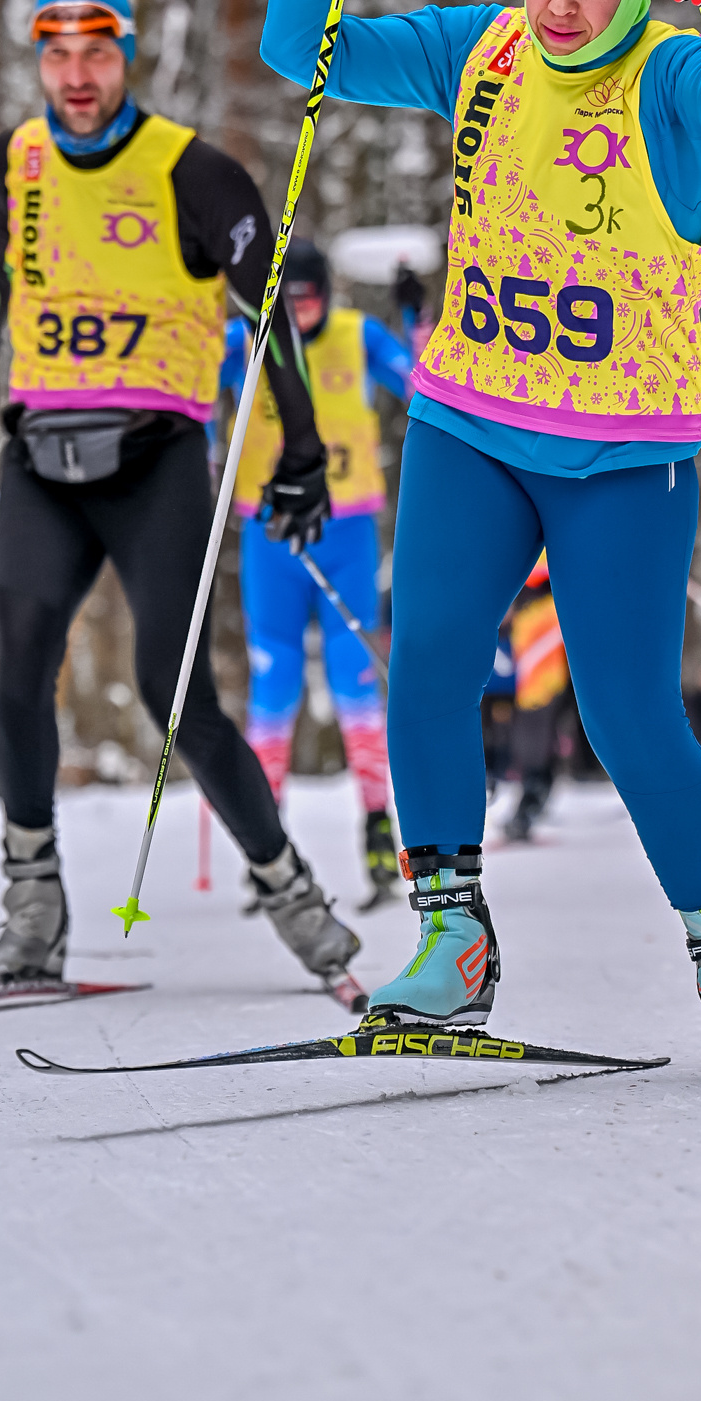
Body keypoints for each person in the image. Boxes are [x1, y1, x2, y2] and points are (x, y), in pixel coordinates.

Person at [261, 0, 701, 1074]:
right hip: (471, 423)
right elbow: (302, 47)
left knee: (624, 711)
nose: (562, 2)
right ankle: (451, 941)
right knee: (430, 666)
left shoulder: (671, 77)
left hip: (624, 450)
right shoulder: (481, 49)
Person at [0, 0, 360, 991]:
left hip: (156, 459)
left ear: (127, 55)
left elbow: (275, 327)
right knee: (21, 666)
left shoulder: (196, 173)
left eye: (95, 52)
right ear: (37, 59)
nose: (75, 75)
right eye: (55, 53)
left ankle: (289, 886)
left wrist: (299, 452)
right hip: (40, 453)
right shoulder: (8, 163)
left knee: (175, 697)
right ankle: (32, 905)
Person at [221, 237, 416, 903]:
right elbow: (186, 392)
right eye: (289, 300)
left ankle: (376, 829)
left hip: (346, 528)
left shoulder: (355, 335)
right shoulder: (242, 338)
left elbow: (422, 383)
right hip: (268, 535)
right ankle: (266, 848)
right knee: (272, 687)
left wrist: (413, 316)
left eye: (311, 299)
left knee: (355, 685)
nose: (300, 313)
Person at [504, 554, 572, 841]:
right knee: (534, 721)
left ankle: (534, 794)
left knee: (539, 719)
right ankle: (534, 791)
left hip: (546, 608)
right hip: (533, 614)